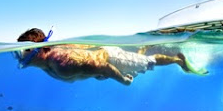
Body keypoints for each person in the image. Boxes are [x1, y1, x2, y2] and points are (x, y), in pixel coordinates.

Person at [14, 28, 207, 85]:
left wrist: (123, 80)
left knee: (147, 63)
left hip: (111, 60)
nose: (20, 56)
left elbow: (103, 65)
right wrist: (95, 74)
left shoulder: (61, 61)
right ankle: (141, 49)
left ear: (39, 49)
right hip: (102, 64)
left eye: (25, 50)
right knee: (138, 65)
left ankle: (178, 59)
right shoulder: (47, 65)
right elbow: (93, 69)